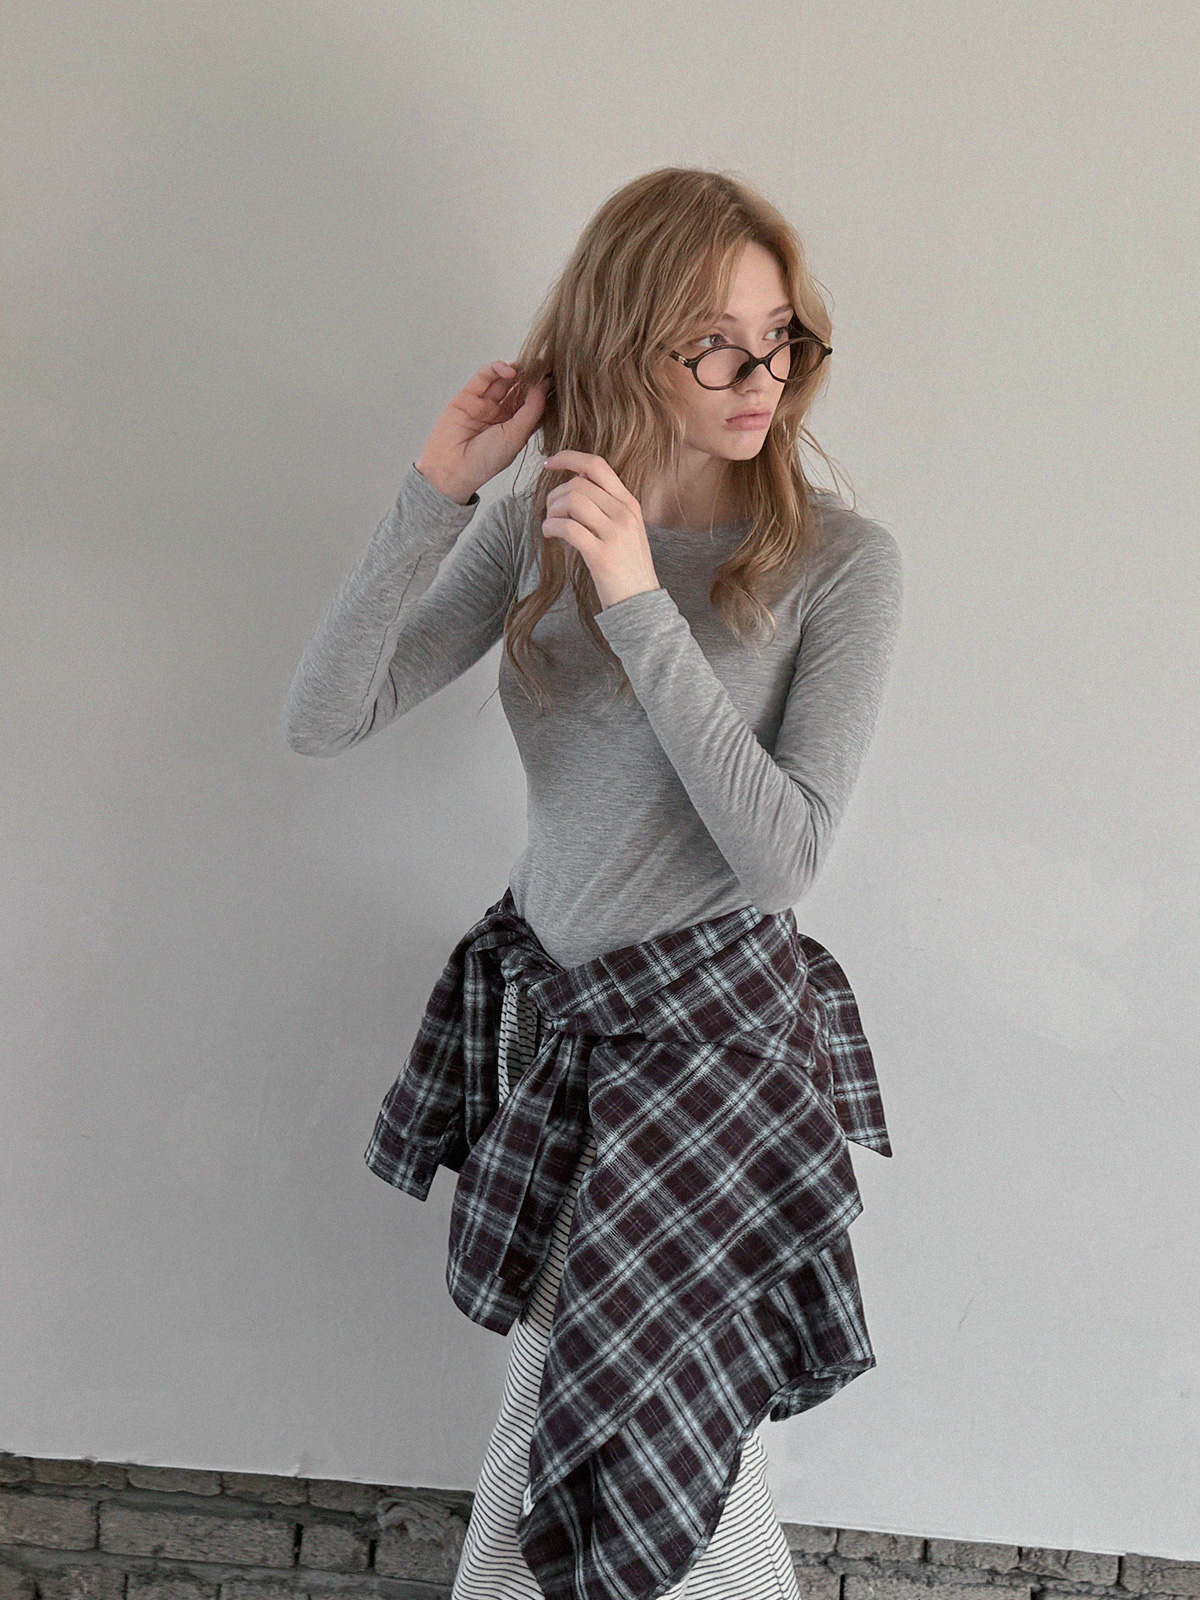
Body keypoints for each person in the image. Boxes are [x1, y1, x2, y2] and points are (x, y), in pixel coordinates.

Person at [283, 167, 902, 1600]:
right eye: (716, 344)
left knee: (619, 1441)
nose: (764, 378)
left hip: (715, 1056)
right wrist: (439, 492)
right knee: (634, 1442)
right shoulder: (537, 527)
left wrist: (638, 602)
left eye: (782, 338)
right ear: (626, 344)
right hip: (559, 1041)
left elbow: (784, 857)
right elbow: (327, 715)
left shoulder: (839, 564)